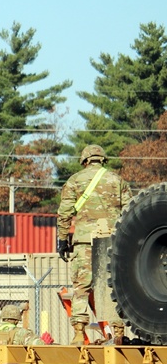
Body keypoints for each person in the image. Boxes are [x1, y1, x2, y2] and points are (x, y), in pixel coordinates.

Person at [57, 144, 133, 345]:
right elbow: (130, 212)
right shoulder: (117, 181)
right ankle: (118, 332)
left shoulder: (75, 181)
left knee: (82, 289)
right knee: (113, 287)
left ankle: (78, 334)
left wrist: (62, 240)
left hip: (84, 242)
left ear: (84, 160)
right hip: (112, 242)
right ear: (103, 159)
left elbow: (64, 213)